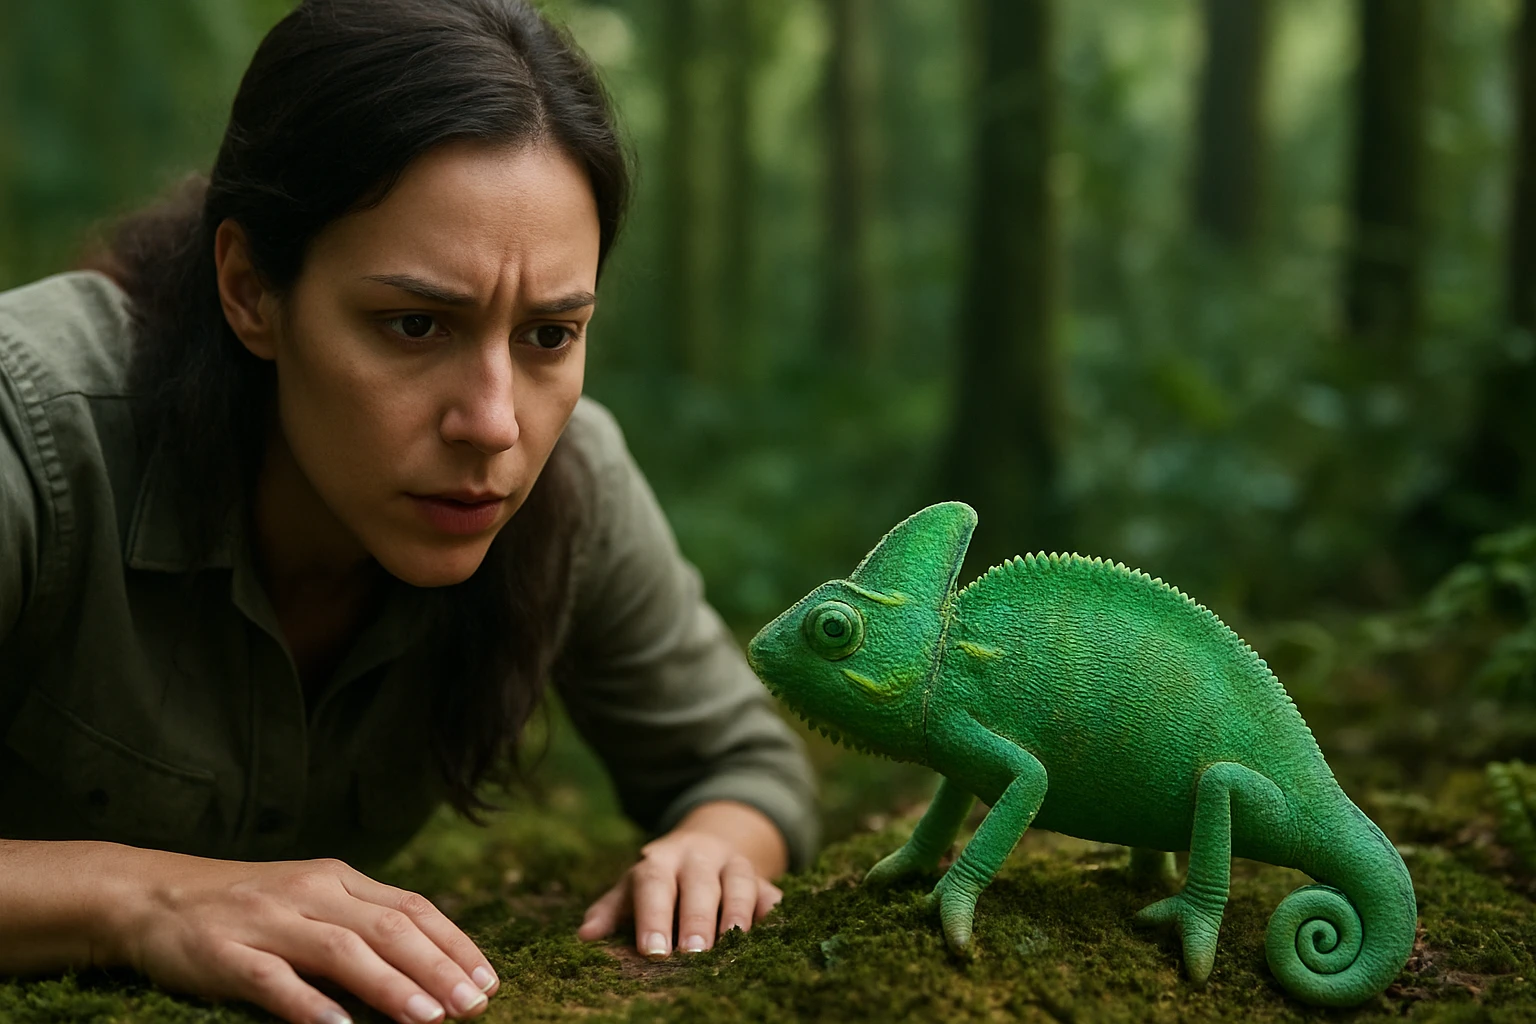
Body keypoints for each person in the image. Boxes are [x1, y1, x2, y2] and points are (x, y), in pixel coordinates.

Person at [0, 2, 818, 1023]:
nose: (493, 424)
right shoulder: (33, 433)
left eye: (549, 335)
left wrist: (714, 848)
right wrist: (141, 899)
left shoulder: (573, 483)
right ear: (250, 289)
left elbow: (741, 763)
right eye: (415, 324)